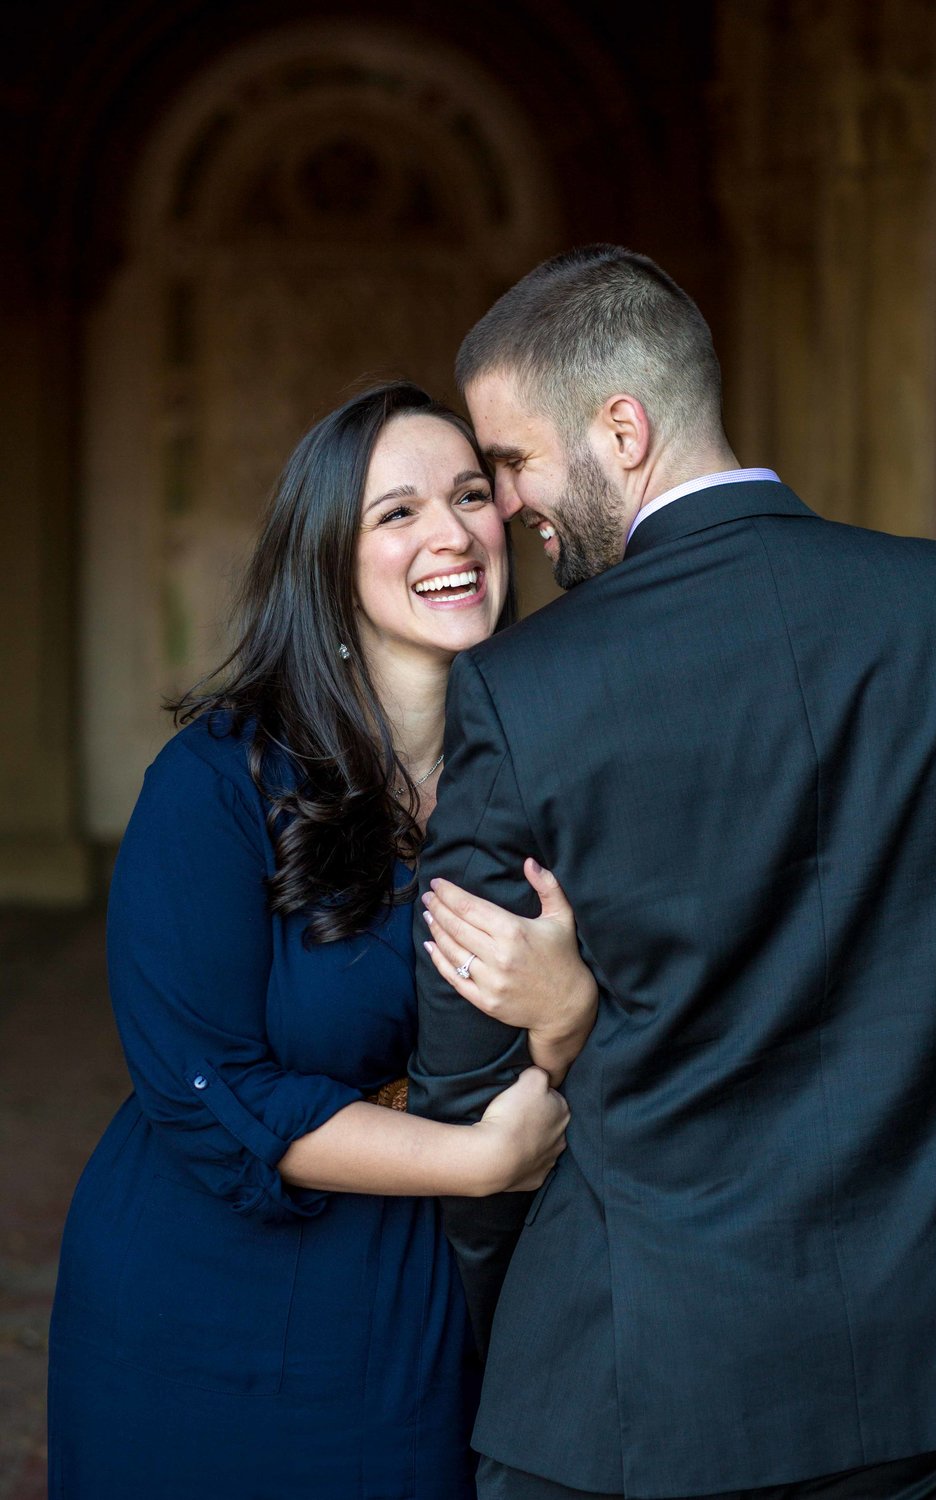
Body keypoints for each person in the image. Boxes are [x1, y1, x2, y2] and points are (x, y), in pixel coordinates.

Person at [408, 246, 936, 1499]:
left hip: (631, 1389)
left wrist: (505, 1306)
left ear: (620, 430)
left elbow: (465, 1071)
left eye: (511, 462)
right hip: (934, 1364)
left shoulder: (526, 688)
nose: (506, 507)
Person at [47, 381, 598, 1499]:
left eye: (469, 495)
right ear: (325, 559)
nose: (448, 533)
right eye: (395, 513)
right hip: (204, 1298)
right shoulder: (213, 783)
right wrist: (474, 1159)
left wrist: (569, 1013)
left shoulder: (561, 770)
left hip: (438, 1296)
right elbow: (207, 1088)